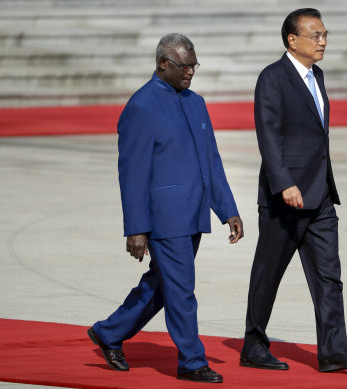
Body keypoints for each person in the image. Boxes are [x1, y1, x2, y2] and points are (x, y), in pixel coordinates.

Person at [87, 33, 243, 384]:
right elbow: (132, 174)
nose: (191, 72)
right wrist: (136, 228)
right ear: (162, 64)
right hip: (164, 219)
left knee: (163, 285)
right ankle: (192, 361)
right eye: (184, 66)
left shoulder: (197, 103)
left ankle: (109, 332)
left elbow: (212, 163)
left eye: (194, 65)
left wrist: (228, 210)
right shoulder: (141, 107)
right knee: (182, 289)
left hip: (195, 214)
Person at [240, 9, 347, 373]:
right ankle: (253, 345)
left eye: (325, 34)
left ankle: (333, 351)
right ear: (291, 40)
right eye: (314, 35)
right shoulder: (273, 77)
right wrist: (284, 183)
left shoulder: (318, 76)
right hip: (285, 197)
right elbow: (268, 134)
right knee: (268, 273)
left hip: (321, 195)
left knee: (329, 275)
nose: (322, 41)